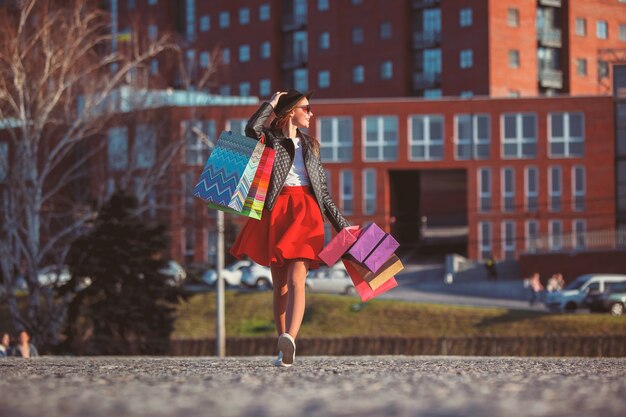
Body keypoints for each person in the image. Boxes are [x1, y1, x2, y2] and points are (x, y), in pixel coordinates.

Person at [230, 89, 351, 367]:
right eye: (306, 108)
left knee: (298, 278)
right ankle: (282, 345)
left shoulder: (312, 146)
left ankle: (291, 339)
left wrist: (343, 227)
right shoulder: (271, 141)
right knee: (280, 286)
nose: (311, 113)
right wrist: (271, 103)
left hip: (306, 213)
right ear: (290, 112)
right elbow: (251, 128)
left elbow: (323, 193)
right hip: (277, 210)